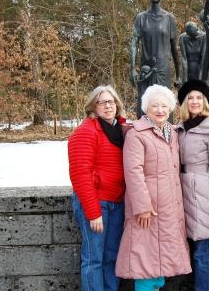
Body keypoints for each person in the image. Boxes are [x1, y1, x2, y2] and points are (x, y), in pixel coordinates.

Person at [116, 85, 192, 291]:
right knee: (145, 264)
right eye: (154, 105)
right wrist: (142, 207)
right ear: (145, 108)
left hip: (168, 208)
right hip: (147, 210)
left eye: (164, 105)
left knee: (160, 264)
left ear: (171, 108)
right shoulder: (137, 134)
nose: (160, 110)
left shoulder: (172, 133)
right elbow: (133, 172)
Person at [68, 85, 126, 291]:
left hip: (117, 202)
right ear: (93, 106)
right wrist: (93, 213)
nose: (108, 106)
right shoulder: (86, 131)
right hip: (96, 204)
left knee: (111, 257)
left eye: (111, 102)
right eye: (102, 102)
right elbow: (80, 175)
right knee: (94, 258)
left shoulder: (122, 130)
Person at [177, 79, 209, 291]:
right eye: (191, 97)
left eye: (199, 97)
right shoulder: (179, 128)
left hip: (202, 195)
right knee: (188, 249)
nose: (195, 101)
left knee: (201, 249)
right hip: (181, 191)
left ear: (206, 101)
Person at [129, 0, 180, 118]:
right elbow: (134, 42)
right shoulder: (141, 18)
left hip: (163, 69)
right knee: (144, 105)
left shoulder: (169, 18)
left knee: (164, 104)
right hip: (146, 68)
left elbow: (175, 48)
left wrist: (179, 74)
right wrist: (132, 68)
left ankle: (166, 137)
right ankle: (142, 136)